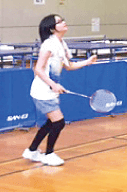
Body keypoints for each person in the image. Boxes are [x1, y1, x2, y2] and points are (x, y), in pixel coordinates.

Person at [22, 14, 97, 166]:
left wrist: (87, 62)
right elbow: (38, 69)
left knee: (51, 122)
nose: (64, 22)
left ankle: (31, 150)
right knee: (58, 122)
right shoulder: (49, 45)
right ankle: (49, 154)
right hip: (42, 90)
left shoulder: (62, 44)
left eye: (63, 20)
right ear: (52, 28)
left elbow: (69, 66)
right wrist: (53, 85)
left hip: (51, 89)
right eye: (59, 22)